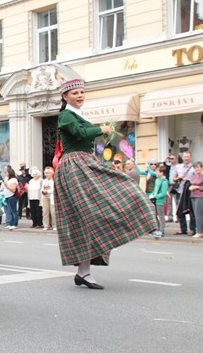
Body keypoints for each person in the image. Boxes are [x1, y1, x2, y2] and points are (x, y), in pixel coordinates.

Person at [54, 78, 155, 289]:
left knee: (96, 212)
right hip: (74, 165)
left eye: (82, 92)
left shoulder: (78, 114)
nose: (80, 95)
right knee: (86, 216)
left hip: (86, 162)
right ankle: (83, 272)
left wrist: (102, 132)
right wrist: (102, 129)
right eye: (75, 93)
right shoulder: (65, 115)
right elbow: (81, 134)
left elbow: (85, 134)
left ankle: (83, 272)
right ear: (65, 96)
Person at [172, 151, 196, 236]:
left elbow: (197, 179)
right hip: (180, 191)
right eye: (185, 156)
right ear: (182, 157)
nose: (186, 158)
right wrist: (179, 177)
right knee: (180, 211)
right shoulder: (178, 167)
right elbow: (173, 178)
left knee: (191, 210)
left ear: (191, 157)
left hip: (190, 192)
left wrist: (188, 180)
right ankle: (183, 229)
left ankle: (193, 229)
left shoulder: (194, 168)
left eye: (188, 157)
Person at [149, 165, 169, 239]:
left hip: (160, 200)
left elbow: (163, 193)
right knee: (154, 215)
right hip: (154, 200)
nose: (156, 173)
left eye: (157, 171)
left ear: (162, 173)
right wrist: (152, 194)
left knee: (161, 215)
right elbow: (155, 189)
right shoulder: (157, 180)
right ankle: (157, 229)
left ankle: (162, 230)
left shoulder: (164, 182)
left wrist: (155, 196)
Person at [2, 165, 19, 230]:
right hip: (7, 196)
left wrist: (7, 185)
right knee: (10, 210)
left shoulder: (14, 180)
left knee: (13, 211)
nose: (6, 174)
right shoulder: (8, 179)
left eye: (7, 173)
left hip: (12, 196)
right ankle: (11, 223)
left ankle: (15, 224)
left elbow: (13, 189)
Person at [188, 161, 203, 238]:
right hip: (193, 195)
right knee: (195, 214)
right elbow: (192, 183)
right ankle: (199, 231)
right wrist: (191, 187)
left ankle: (200, 232)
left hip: (200, 196)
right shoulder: (195, 175)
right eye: (195, 168)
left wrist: (196, 187)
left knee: (199, 214)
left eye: (198, 167)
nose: (196, 169)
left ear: (201, 167)